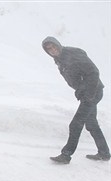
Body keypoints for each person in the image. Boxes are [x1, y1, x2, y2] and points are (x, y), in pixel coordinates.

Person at [42, 36, 110, 164]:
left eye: (53, 46)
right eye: (48, 49)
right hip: (88, 93)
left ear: (58, 44)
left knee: (75, 124)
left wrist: (88, 95)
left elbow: (93, 72)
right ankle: (104, 153)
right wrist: (80, 90)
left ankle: (66, 155)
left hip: (92, 93)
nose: (52, 50)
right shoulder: (60, 59)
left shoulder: (72, 54)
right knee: (91, 124)